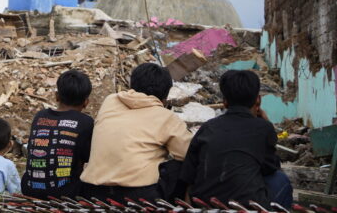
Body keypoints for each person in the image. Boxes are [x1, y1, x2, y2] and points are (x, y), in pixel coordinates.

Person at [80, 63, 192, 202]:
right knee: (180, 166)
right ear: (165, 95)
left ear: (132, 84)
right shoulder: (166, 117)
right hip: (139, 195)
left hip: (93, 191)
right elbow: (189, 153)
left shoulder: (110, 101)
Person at [180, 70, 293, 208]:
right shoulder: (263, 128)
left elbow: (189, 176)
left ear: (225, 102)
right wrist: (266, 124)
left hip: (205, 204)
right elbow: (270, 167)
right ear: (258, 99)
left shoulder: (208, 128)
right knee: (280, 180)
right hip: (246, 206)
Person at [21, 70, 94, 199]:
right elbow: (88, 157)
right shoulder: (86, 122)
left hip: (29, 189)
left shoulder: (40, 116)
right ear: (86, 102)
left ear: (56, 96)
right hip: (64, 194)